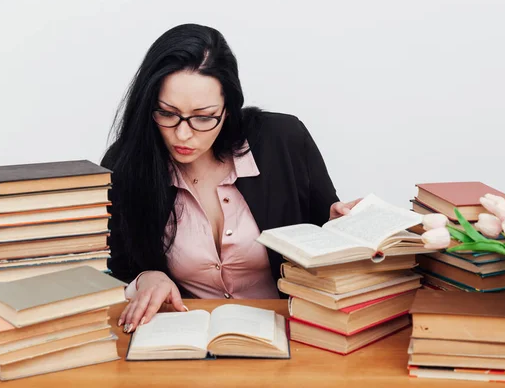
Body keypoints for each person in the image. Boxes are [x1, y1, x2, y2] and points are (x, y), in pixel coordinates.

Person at [101, 23, 361, 334]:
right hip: (185, 337)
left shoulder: (284, 140)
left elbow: (325, 242)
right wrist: (145, 278)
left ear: (228, 109)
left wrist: (338, 227)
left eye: (203, 117)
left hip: (293, 332)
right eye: (167, 113)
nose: (183, 134)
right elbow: (118, 266)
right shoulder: (126, 163)